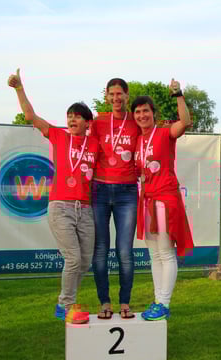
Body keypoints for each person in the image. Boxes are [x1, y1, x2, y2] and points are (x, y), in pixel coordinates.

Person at [8, 68, 98, 323]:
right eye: (69, 116)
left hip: (86, 208)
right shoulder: (58, 136)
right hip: (61, 207)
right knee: (73, 259)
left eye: (77, 116)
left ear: (88, 123)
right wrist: (19, 88)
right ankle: (66, 305)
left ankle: (66, 302)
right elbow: (30, 116)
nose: (71, 119)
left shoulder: (95, 144)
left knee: (85, 262)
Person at [132, 80, 194, 321]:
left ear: (153, 113)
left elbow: (185, 121)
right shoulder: (138, 140)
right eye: (138, 112)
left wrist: (178, 95)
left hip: (164, 198)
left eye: (146, 110)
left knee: (166, 253)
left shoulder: (164, 132)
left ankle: (164, 303)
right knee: (154, 255)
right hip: (146, 200)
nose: (142, 115)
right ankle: (158, 301)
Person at [90, 78, 139, 319]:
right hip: (99, 189)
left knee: (124, 251)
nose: (116, 98)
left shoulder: (136, 121)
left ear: (127, 95)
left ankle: (125, 302)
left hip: (127, 191)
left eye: (120, 94)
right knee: (100, 249)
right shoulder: (98, 122)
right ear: (107, 96)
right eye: (112, 94)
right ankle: (105, 302)